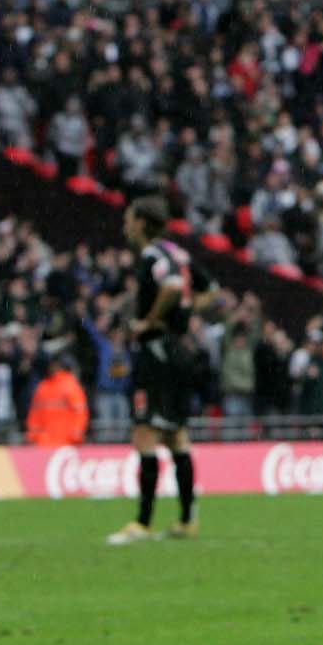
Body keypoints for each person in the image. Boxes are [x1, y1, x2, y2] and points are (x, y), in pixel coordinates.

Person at [108, 196, 214, 545]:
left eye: (128, 218)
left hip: (156, 352)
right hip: (178, 350)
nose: (124, 225)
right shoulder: (178, 252)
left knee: (145, 433)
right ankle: (187, 520)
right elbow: (209, 291)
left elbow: (170, 286)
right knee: (176, 436)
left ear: (140, 222)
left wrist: (150, 321)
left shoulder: (152, 255)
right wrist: (183, 313)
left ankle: (143, 522)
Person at [26, 355, 90, 447]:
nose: (51, 368)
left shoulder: (70, 385)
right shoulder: (43, 386)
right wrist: (33, 434)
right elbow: (35, 413)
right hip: (44, 442)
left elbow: (80, 412)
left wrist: (77, 433)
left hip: (66, 441)